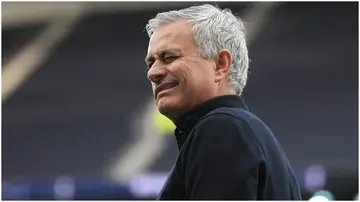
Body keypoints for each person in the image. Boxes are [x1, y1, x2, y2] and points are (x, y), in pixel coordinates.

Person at [144, 4, 302, 200]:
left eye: (168, 57)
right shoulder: (244, 132)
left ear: (220, 65)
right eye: (151, 63)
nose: (153, 73)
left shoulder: (222, 128)